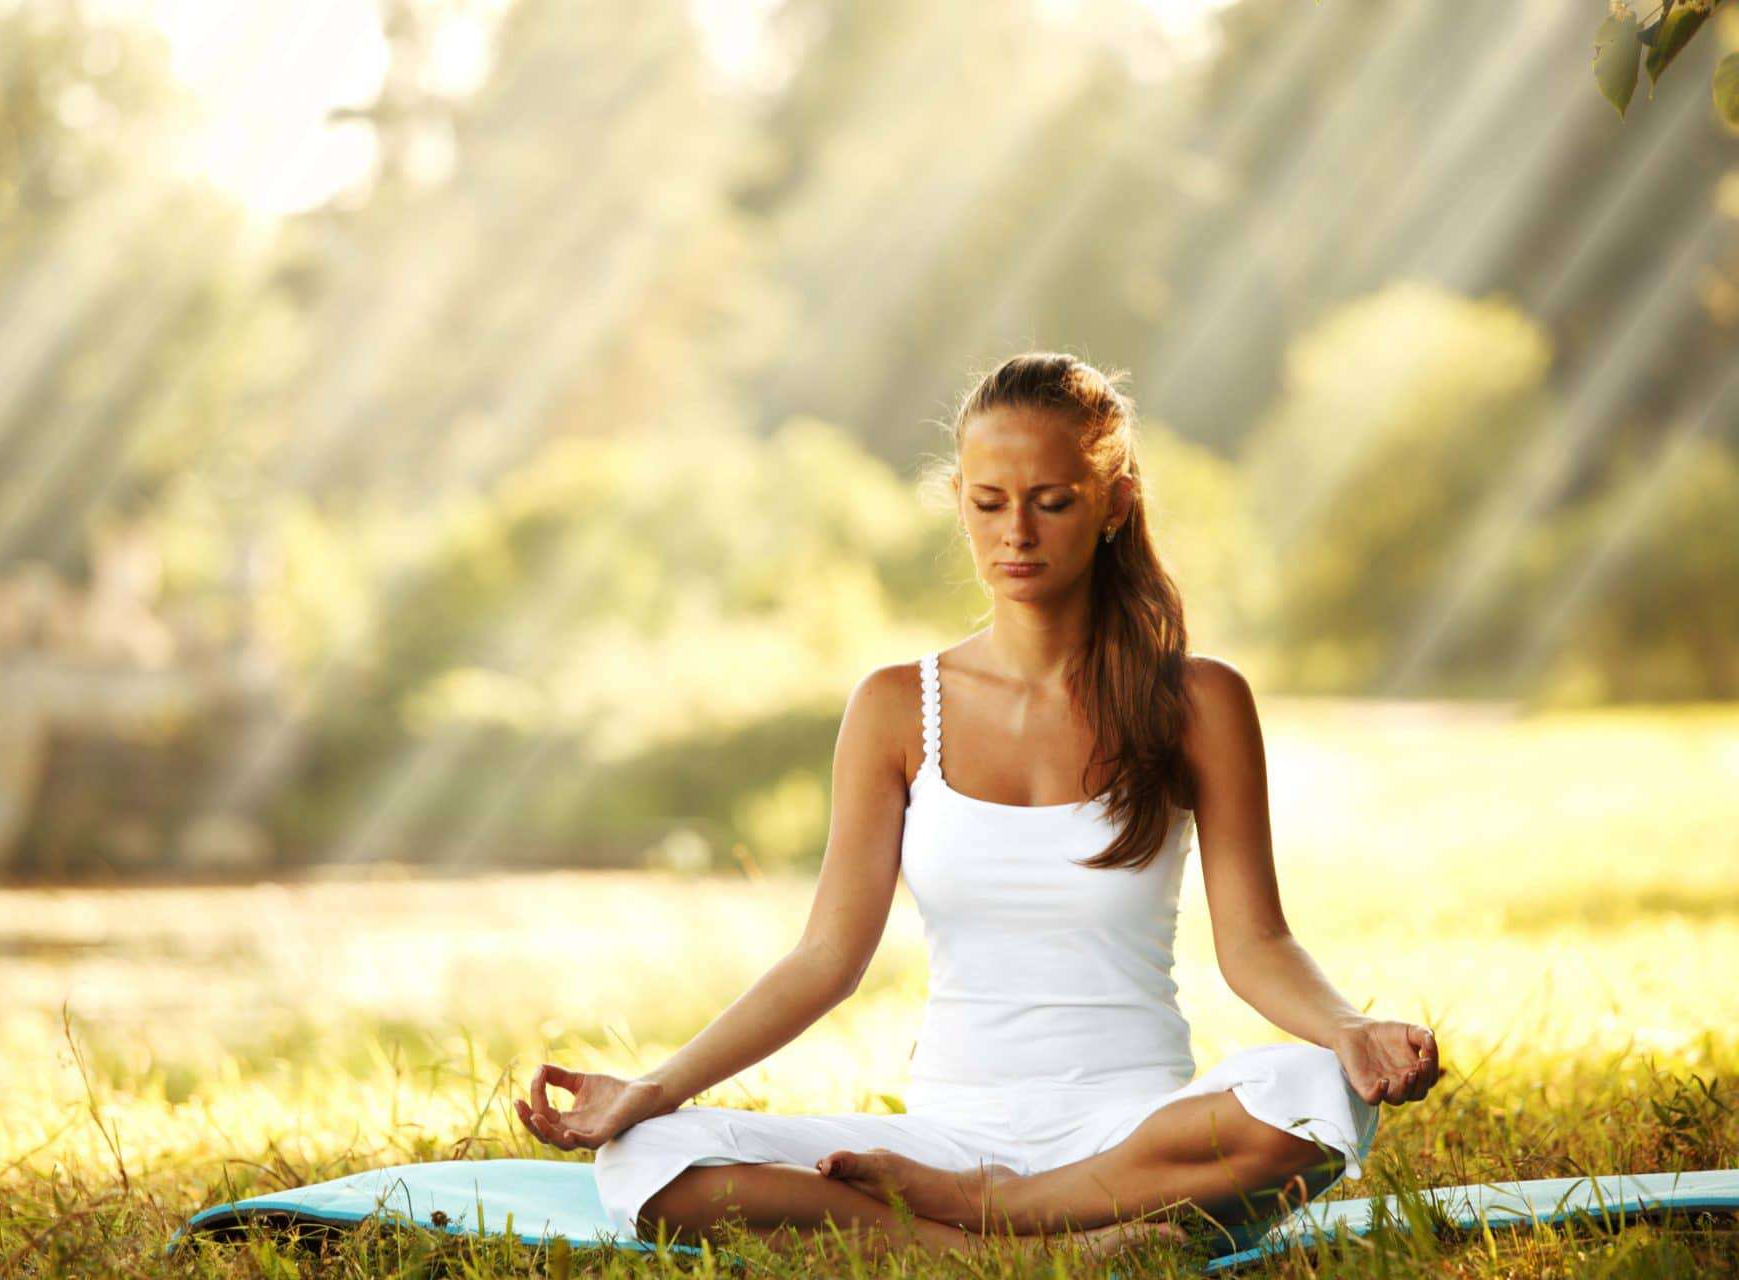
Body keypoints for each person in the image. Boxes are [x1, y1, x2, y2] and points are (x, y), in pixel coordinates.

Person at [516, 352, 1442, 1262]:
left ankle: (994, 1216)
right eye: (989, 503)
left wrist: (1348, 1032)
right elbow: (825, 958)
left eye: (1053, 500)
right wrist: (653, 1088)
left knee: (1317, 1090)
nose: (1018, 535)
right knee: (647, 1159)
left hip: (1137, 1146)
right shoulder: (893, 706)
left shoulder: (1199, 701)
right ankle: (1021, 1256)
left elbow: (1256, 946)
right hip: (947, 1138)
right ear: (959, 502)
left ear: (1113, 502)